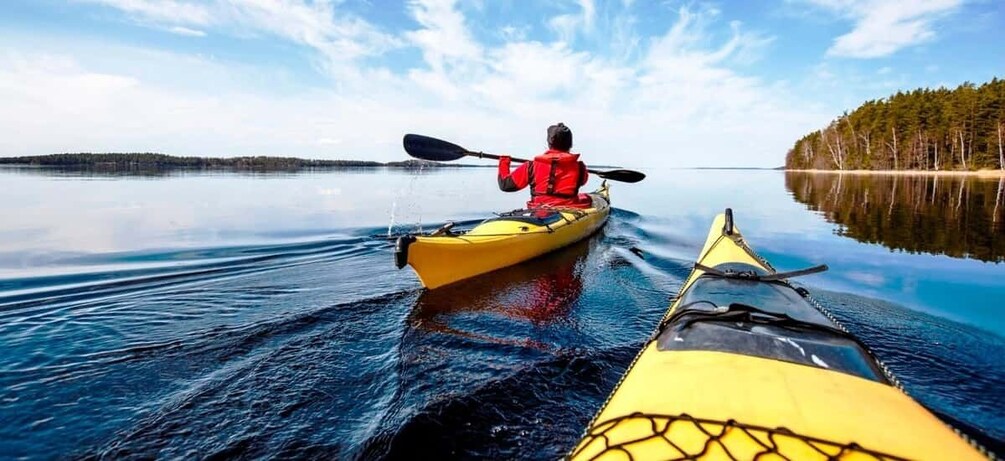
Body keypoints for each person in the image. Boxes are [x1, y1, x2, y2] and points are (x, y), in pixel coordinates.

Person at [497, 123, 593, 209]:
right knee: (587, 198)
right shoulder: (580, 167)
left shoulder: (531, 166)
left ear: (549, 143)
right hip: (569, 209)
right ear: (570, 144)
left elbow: (505, 185)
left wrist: (504, 163)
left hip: (538, 210)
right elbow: (582, 181)